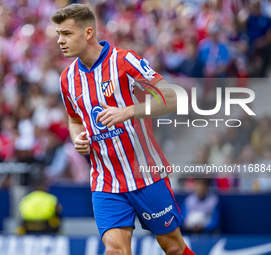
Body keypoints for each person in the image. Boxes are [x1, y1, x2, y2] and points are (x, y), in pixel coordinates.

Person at [51, 4, 195, 255]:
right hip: (106, 180)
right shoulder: (67, 78)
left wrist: (128, 111)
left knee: (172, 247)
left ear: (88, 32)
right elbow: (74, 120)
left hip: (145, 174)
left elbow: (171, 98)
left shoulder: (124, 61)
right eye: (58, 34)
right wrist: (77, 138)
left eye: (66, 34)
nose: (60, 41)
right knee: (115, 250)